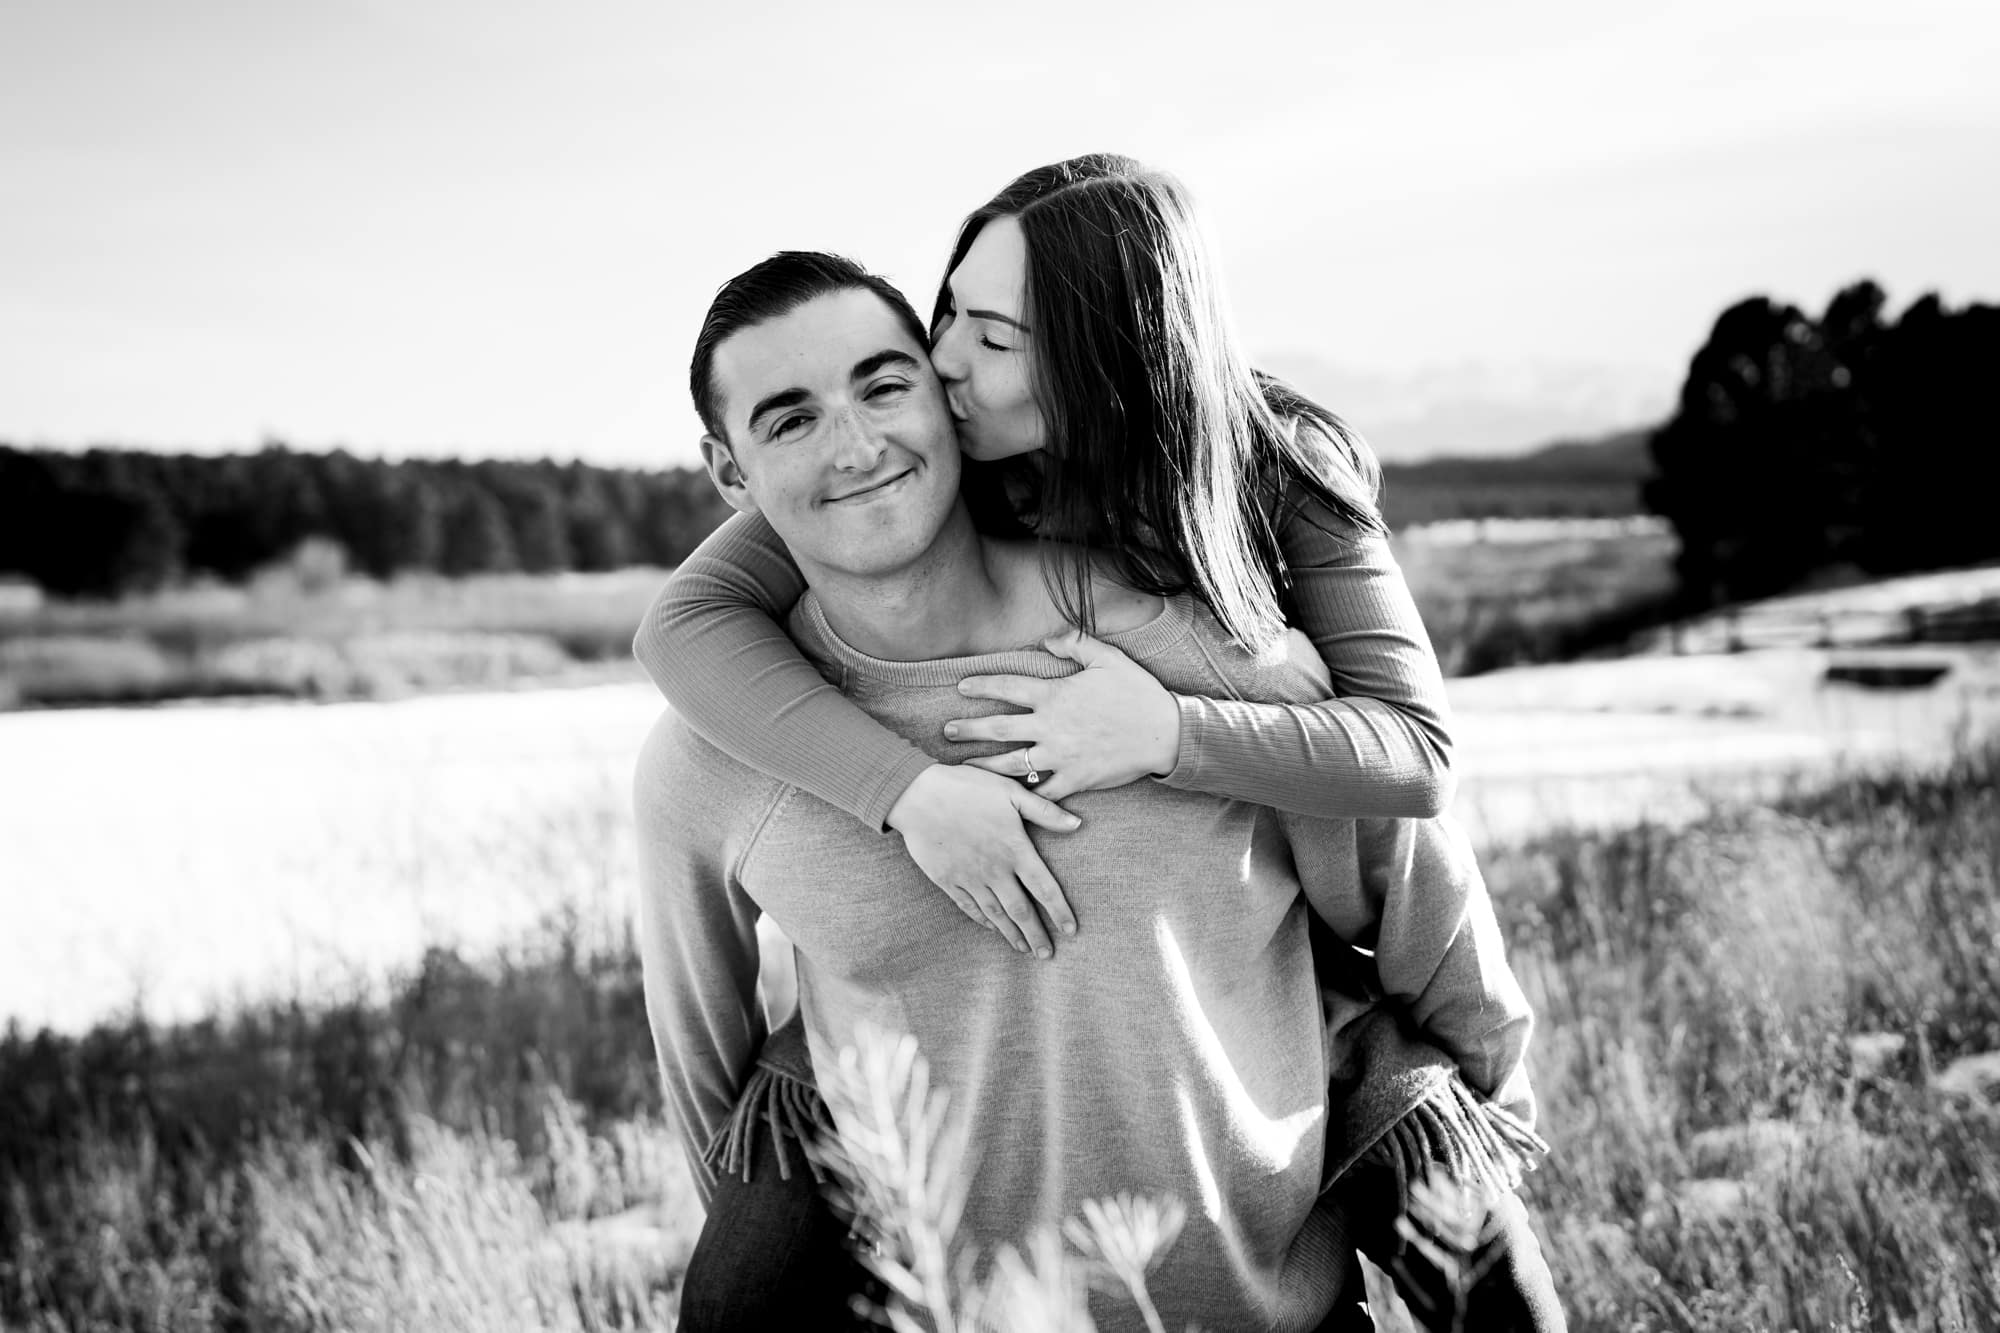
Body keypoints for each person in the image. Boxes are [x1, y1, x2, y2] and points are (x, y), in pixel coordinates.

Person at [635, 252, 1560, 1332]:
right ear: (727, 471)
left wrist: (1473, 1098)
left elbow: (1402, 874)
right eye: (788, 420)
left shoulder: (1180, 647)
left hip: (1276, 1310)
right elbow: (713, 1085)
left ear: (943, 391)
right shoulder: (712, 758)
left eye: (884, 385)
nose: (856, 445)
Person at [632, 153, 1455, 961]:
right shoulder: (926, 447)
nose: (941, 358)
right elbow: (684, 623)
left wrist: (1167, 733)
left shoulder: (1273, 462)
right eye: (949, 312)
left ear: (1106, 363)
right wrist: (908, 792)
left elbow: (1414, 752)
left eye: (993, 339)